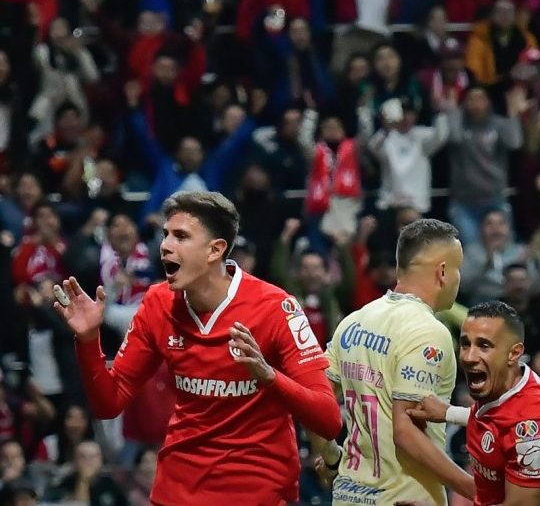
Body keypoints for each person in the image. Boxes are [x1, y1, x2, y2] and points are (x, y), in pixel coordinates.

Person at [57, 191, 342, 503]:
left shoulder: (277, 308)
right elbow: (109, 404)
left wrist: (269, 377)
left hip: (258, 490)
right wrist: (87, 341)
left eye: (181, 236)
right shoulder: (157, 303)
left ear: (215, 250)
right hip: (178, 490)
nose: (165, 245)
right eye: (166, 235)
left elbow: (328, 419)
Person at [311, 219, 475, 505]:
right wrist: (476, 490)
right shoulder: (428, 331)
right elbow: (405, 431)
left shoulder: (353, 322)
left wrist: (331, 456)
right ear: (443, 272)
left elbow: (315, 404)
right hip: (404, 498)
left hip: (349, 497)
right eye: (458, 269)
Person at [406, 301, 540, 505]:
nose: (468, 357)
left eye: (484, 345)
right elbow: (500, 422)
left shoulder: (532, 427)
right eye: (466, 343)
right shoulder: (507, 386)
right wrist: (448, 413)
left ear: (514, 353)